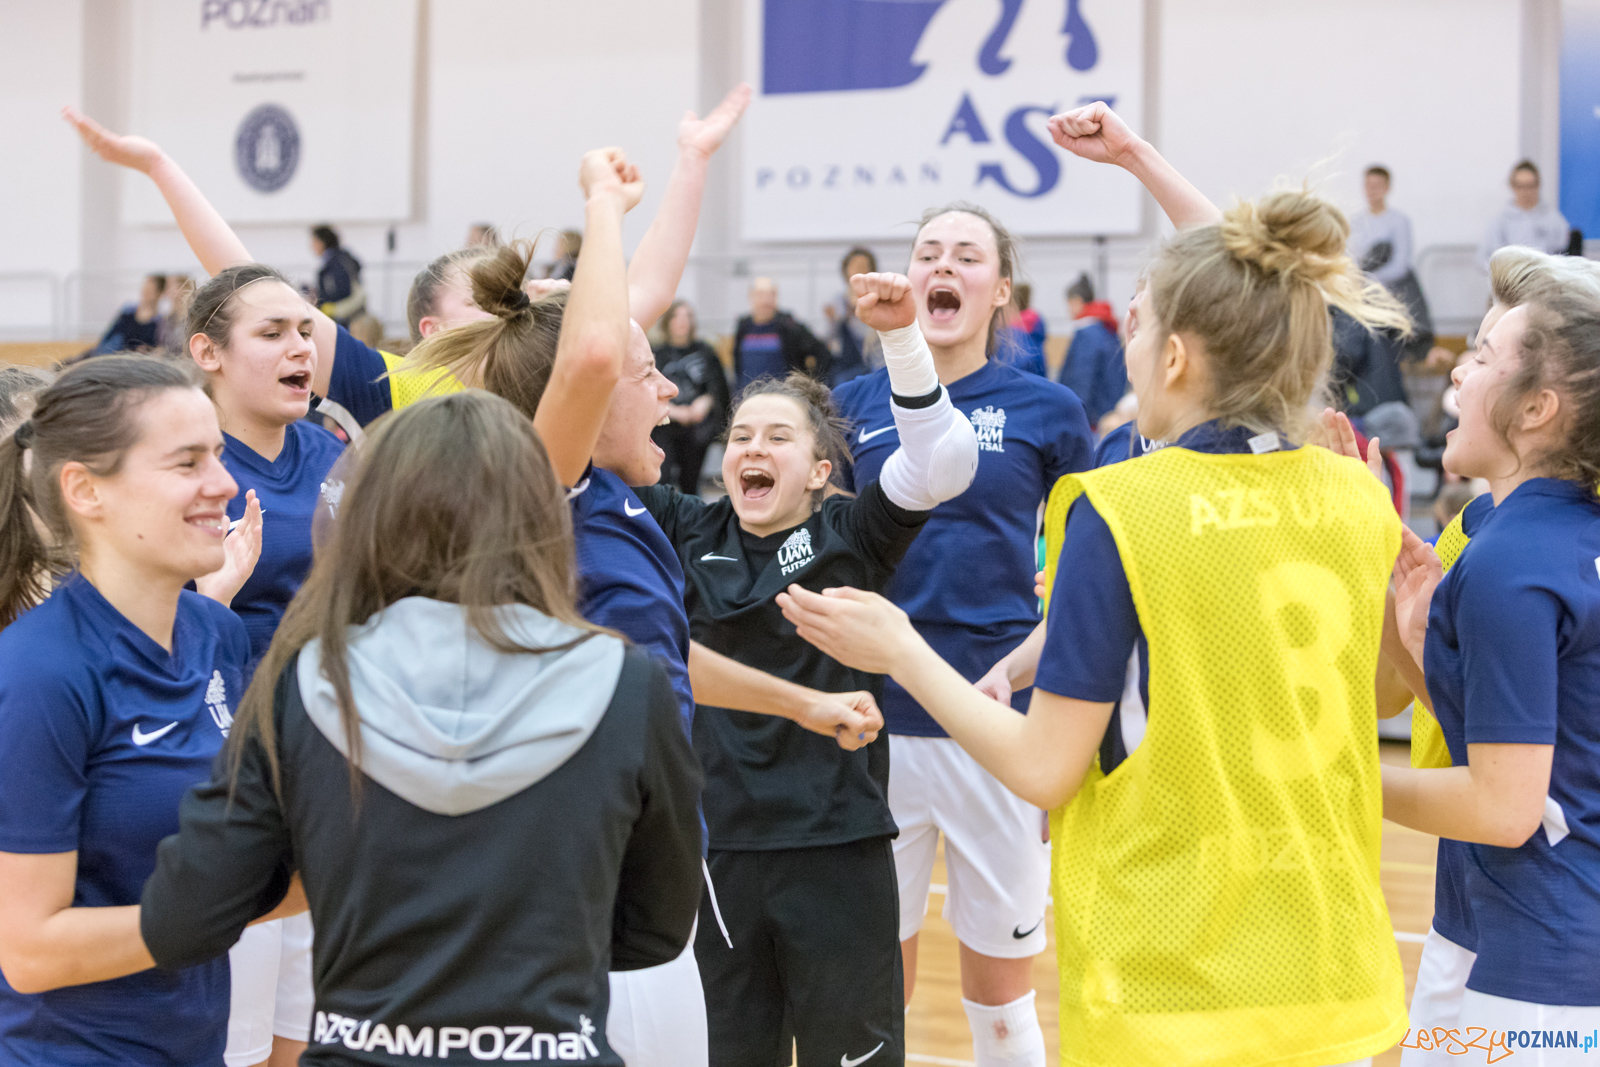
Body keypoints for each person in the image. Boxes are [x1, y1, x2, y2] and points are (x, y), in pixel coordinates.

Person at [779, 100, 1415, 1067]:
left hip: (1165, 962)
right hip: (1332, 971)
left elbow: (1045, 763)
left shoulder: (1116, 500)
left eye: (1136, 325)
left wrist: (905, 647)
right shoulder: (1355, 494)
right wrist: (1138, 158)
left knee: (998, 981)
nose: (1121, 341)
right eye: (930, 249)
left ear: (1171, 354)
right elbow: (1378, 694)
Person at [130, 390, 700, 1067]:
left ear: (368, 517)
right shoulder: (625, 681)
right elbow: (659, 927)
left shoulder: (302, 679)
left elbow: (182, 916)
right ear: (539, 518)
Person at [633, 268, 978, 1065]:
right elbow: (567, 454)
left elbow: (937, 466)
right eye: (741, 436)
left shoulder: (850, 533)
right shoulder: (685, 526)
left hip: (838, 846)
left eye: (778, 437)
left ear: (822, 470)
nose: (752, 448)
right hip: (717, 854)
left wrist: (900, 337)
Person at [833, 203, 1093, 1067]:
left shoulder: (1049, 409)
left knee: (1003, 999)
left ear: (1000, 291)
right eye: (927, 252)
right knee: (876, 987)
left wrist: (1031, 684)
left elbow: (1087, 583)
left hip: (997, 726)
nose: (943, 266)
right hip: (874, 728)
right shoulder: (851, 403)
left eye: (966, 255)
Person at [1363, 247, 1600, 1064]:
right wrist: (1416, 630)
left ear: (1536, 409)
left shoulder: (1511, 561)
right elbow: (1529, 739)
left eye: (1484, 355)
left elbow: (1505, 806)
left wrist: (1330, 780)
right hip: (1527, 937)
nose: (1458, 375)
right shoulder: (1537, 537)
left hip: (1535, 966)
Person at [0, 356, 264, 1065]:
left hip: (194, 1044)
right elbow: (28, 949)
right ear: (86, 490)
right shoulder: (38, 672)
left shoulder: (217, 634)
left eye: (219, 453)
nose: (225, 484)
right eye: (187, 463)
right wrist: (198, 913)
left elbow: (235, 874)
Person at [1349, 166, 1435, 362]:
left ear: (1388, 188)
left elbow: (1400, 266)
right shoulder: (1356, 221)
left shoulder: (1398, 221)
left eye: (1378, 185)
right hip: (1361, 292)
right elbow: (1353, 258)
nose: (1373, 190)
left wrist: (1367, 280)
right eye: (1369, 185)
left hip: (1390, 293)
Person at [652, 299, 731, 495]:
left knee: (691, 481)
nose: (683, 322)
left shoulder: (705, 352)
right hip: (665, 425)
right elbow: (648, 388)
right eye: (677, 316)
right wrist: (675, 411)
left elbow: (718, 387)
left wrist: (704, 403)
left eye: (687, 317)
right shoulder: (657, 354)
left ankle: (690, 520)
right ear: (668, 321)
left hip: (696, 429)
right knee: (661, 477)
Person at [732, 277, 832, 391]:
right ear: (751, 296)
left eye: (771, 294)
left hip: (783, 400)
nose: (766, 300)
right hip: (748, 398)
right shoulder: (744, 327)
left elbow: (822, 352)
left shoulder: (789, 326)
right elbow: (737, 365)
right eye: (760, 294)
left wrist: (811, 384)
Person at [1056, 273, 1127, 429]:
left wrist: (1074, 416)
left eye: (1069, 304)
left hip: (1091, 419)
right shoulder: (1106, 327)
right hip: (1108, 410)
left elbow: (1082, 379)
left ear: (1077, 301)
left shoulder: (1087, 333)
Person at [1479, 161, 1571, 268]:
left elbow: (1565, 253)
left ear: (1538, 185)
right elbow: (1484, 258)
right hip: (1513, 280)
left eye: (1530, 186)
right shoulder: (1501, 222)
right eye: (1520, 186)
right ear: (1513, 186)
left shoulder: (1554, 219)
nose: (1525, 191)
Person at [824, 246, 881, 384]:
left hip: (873, 365)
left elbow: (872, 337)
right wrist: (833, 321)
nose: (858, 271)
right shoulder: (838, 301)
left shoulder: (878, 299)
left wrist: (858, 313)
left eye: (863, 266)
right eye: (854, 267)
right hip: (844, 368)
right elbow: (831, 341)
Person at [89, 273, 166, 355]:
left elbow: (156, 348)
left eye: (150, 291)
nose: (145, 294)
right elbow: (108, 336)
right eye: (145, 289)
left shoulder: (159, 322)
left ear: (159, 294)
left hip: (133, 361)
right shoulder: (127, 311)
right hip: (111, 354)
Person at [310, 226, 365, 326]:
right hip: (345, 319)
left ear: (322, 242)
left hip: (346, 320)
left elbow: (344, 291)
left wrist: (330, 307)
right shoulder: (339, 259)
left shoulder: (337, 263)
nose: (311, 246)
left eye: (314, 242)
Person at [995, 282, 1048, 377]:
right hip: (1038, 365)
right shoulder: (1036, 318)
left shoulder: (1011, 321)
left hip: (1015, 368)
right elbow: (1042, 338)